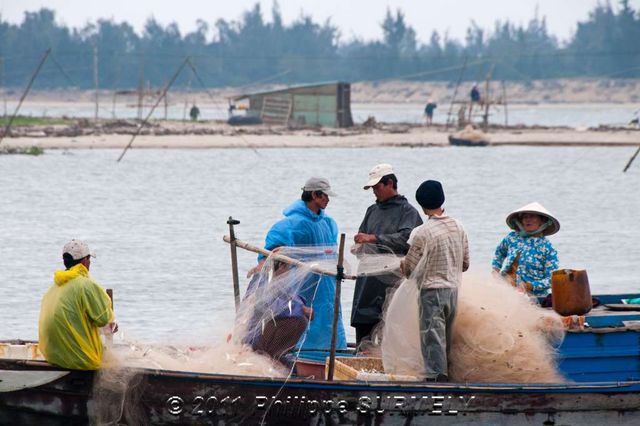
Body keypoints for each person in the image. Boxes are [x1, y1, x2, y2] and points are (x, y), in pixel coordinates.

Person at [251, 177, 346, 350]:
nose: (328, 200)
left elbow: (332, 254)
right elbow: (271, 254)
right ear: (314, 195)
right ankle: (301, 360)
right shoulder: (290, 224)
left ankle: (331, 357)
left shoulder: (329, 224)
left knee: (328, 323)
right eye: (324, 196)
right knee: (303, 327)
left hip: (327, 288)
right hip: (303, 287)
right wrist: (263, 263)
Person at [401, 180, 469, 382]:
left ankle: (436, 380)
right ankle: (447, 375)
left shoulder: (423, 232)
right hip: (453, 290)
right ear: (442, 200)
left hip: (431, 292)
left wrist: (401, 265)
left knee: (432, 338)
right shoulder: (458, 226)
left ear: (421, 206)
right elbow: (465, 263)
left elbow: (409, 268)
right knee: (446, 337)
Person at [351, 164, 423, 345]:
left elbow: (408, 239)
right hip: (367, 283)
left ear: (390, 183)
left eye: (377, 187)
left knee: (393, 330)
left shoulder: (408, 212)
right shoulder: (372, 211)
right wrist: (359, 245)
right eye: (372, 188)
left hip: (394, 281)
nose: (374, 192)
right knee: (364, 331)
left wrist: (373, 238)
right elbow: (363, 235)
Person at [38, 240, 116, 370]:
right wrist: (111, 324)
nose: (90, 262)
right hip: (80, 360)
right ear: (85, 261)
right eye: (89, 259)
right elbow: (104, 319)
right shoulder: (86, 285)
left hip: (53, 356)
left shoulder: (55, 287)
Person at [240, 260, 313, 363]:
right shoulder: (262, 281)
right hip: (254, 338)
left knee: (301, 318)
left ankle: (276, 355)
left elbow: (290, 298)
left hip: (264, 334)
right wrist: (300, 309)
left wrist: (301, 306)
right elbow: (268, 305)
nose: (288, 272)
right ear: (281, 267)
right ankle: (267, 354)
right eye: (287, 268)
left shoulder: (277, 282)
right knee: (298, 320)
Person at [492, 202, 559, 296]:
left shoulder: (547, 248)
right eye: (525, 217)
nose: (528, 220)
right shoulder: (512, 237)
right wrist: (496, 268)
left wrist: (529, 286)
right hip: (507, 288)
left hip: (534, 296)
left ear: (542, 221)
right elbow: (500, 252)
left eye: (532, 216)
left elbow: (552, 279)